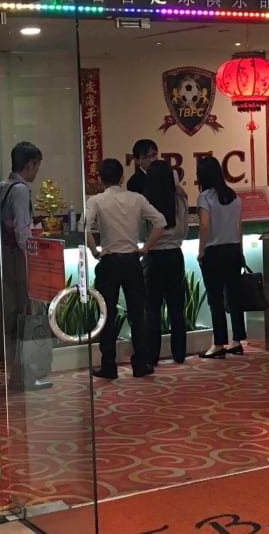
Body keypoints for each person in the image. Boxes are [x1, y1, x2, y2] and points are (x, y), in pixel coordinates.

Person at [86, 158, 167, 379]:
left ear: (100, 179)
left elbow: (84, 227)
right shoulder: (137, 198)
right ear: (122, 178)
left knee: (107, 314)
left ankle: (108, 365)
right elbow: (160, 222)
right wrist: (146, 248)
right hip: (132, 261)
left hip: (109, 261)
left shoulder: (96, 201)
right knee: (137, 315)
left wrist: (95, 251)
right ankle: (140, 364)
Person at [0, 141, 52, 391]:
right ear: (30, 164)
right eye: (36, 166)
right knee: (26, 316)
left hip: (2, 261)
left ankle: (14, 373)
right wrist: (33, 260)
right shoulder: (21, 190)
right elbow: (22, 231)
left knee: (11, 319)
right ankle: (24, 375)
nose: (36, 171)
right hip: (19, 261)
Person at [195, 156, 246, 359]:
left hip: (214, 252)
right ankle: (237, 341)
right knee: (234, 297)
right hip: (233, 250)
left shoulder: (205, 198)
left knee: (215, 299)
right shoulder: (234, 196)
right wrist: (240, 250)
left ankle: (218, 343)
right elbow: (239, 226)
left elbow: (204, 225)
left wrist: (201, 250)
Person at [143, 160, 189, 364]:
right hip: (174, 255)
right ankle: (179, 353)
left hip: (153, 257)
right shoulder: (180, 199)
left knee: (152, 308)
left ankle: (152, 355)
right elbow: (184, 230)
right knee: (176, 307)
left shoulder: (146, 202)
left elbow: (141, 232)